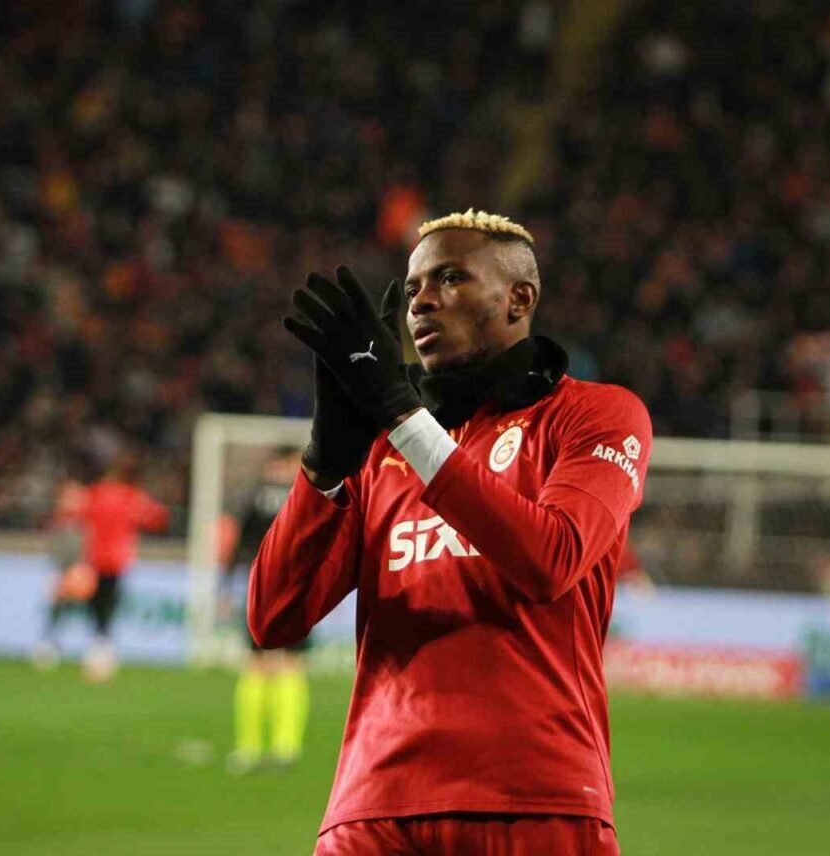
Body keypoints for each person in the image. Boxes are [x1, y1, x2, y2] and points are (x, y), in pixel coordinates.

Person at [250, 209, 652, 854]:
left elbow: (552, 558)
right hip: (373, 805)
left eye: (451, 278)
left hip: (535, 795)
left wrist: (402, 416)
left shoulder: (595, 415)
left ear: (520, 298)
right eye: (412, 288)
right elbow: (273, 617)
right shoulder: (382, 447)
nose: (422, 302)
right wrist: (325, 461)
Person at [222, 446, 312, 774]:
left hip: (258, 585)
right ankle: (286, 747)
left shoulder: (252, 495)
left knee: (256, 664)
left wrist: (226, 586)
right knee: (291, 664)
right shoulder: (306, 494)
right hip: (297, 586)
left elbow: (238, 545)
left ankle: (248, 748)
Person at [79, 449, 170, 682]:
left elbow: (76, 515)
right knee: (108, 603)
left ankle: (99, 649)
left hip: (95, 557)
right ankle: (104, 650)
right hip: (118, 558)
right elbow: (157, 517)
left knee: (97, 604)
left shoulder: (93, 493)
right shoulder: (131, 496)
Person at [31, 474, 94, 670]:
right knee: (57, 607)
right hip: (63, 570)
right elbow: (55, 549)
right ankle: (49, 643)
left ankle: (95, 644)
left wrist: (83, 568)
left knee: (89, 609)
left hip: (83, 571)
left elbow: (91, 547)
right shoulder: (58, 523)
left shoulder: (87, 523)